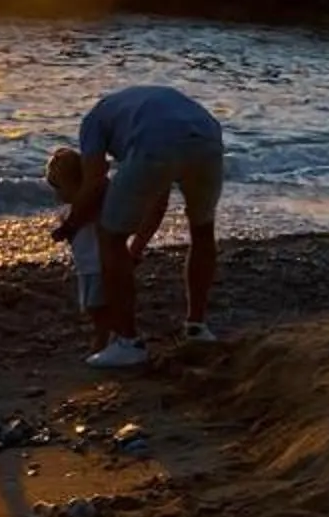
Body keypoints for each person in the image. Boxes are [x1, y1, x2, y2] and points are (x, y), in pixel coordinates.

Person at [52, 83, 224, 368]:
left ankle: (127, 341)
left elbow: (94, 184)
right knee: (202, 230)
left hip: (156, 142)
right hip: (207, 137)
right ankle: (197, 327)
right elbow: (158, 202)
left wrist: (70, 225)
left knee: (110, 237)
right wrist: (136, 251)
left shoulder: (92, 121)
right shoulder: (135, 107)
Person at [46, 145, 160, 356]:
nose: (57, 194)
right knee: (95, 306)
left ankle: (105, 339)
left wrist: (66, 230)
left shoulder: (91, 206)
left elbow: (92, 220)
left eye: (59, 187)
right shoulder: (77, 209)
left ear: (78, 184)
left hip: (98, 265)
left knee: (99, 306)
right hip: (87, 265)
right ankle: (110, 336)